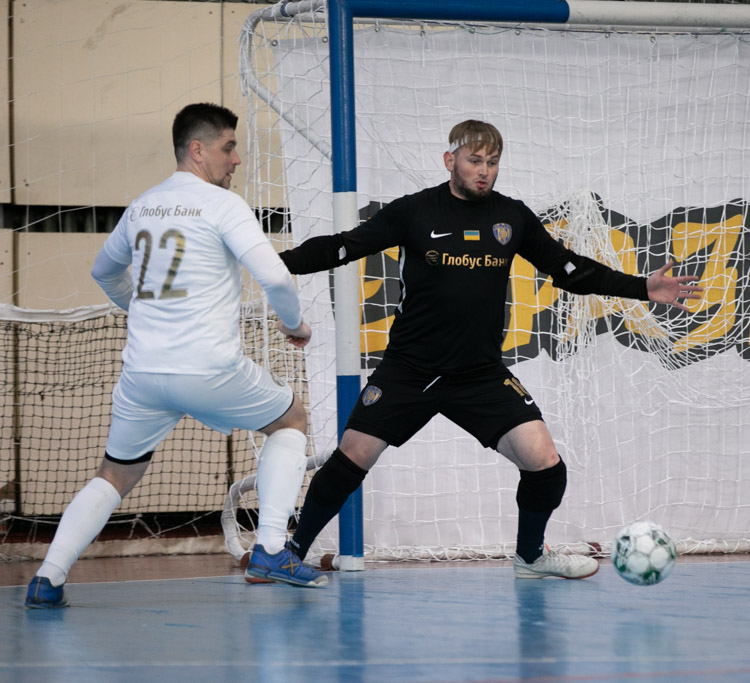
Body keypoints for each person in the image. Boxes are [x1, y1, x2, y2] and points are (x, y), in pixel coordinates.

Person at [278, 120, 704, 579]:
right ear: (450, 161)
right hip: (409, 370)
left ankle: (530, 558)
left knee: (546, 464)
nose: (484, 171)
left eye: (492, 162)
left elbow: (569, 270)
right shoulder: (414, 211)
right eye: (475, 160)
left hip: (479, 374)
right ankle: (287, 555)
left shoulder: (512, 217)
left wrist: (642, 287)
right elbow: (341, 248)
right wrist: (272, 265)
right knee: (351, 458)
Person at [25, 103, 327, 608]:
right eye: (229, 148)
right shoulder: (223, 205)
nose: (236, 159)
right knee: (290, 419)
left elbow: (103, 271)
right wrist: (295, 325)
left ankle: (47, 578)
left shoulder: (142, 206)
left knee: (114, 475)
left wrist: (142, 310)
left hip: (143, 374)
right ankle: (272, 549)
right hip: (208, 368)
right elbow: (275, 276)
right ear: (197, 150)